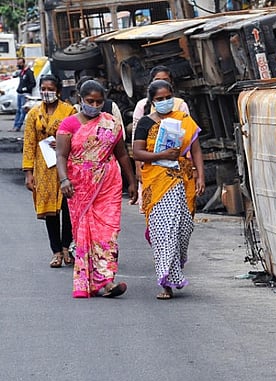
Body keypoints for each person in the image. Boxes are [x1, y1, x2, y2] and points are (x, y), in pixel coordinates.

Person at [56, 80, 137, 298]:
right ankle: (89, 282)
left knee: (107, 232)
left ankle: (107, 280)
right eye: (90, 101)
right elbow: (61, 156)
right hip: (79, 186)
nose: (94, 105)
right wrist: (64, 180)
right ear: (80, 100)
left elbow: (121, 153)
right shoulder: (68, 125)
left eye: (99, 102)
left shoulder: (110, 122)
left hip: (108, 183)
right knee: (85, 234)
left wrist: (132, 181)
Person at [132, 79, 205, 300]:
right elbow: (137, 153)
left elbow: (196, 149)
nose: (165, 102)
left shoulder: (183, 119)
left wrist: (200, 175)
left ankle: (175, 269)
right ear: (152, 101)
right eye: (159, 99)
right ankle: (165, 282)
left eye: (167, 98)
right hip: (157, 181)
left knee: (183, 227)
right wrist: (161, 156)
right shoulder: (145, 123)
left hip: (182, 179)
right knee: (165, 231)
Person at [22, 74, 77, 268]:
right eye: (43, 89)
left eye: (50, 89)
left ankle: (66, 248)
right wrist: (28, 172)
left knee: (67, 209)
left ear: (58, 91)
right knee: (50, 211)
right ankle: (55, 252)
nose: (46, 93)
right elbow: (29, 143)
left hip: (65, 166)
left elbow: (77, 137)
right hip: (43, 168)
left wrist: (63, 142)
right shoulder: (33, 114)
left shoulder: (69, 111)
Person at [132, 65, 191, 210]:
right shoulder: (142, 108)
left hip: (177, 167)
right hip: (151, 166)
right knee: (153, 208)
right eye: (157, 80)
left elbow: (190, 138)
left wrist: (193, 168)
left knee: (177, 210)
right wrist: (138, 168)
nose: (164, 101)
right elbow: (136, 143)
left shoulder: (180, 105)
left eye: (165, 80)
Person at [12, 58, 35, 132]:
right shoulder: (22, 72)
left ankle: (18, 126)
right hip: (20, 94)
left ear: (23, 63)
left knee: (22, 111)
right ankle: (15, 126)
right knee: (18, 110)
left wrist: (25, 89)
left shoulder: (29, 72)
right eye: (18, 63)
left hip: (25, 94)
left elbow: (33, 83)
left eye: (19, 63)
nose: (18, 65)